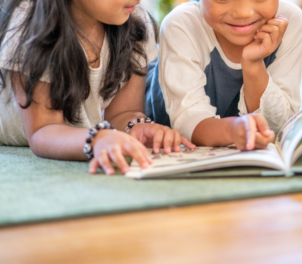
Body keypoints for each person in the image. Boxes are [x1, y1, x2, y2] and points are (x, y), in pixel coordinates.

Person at [0, 0, 195, 175]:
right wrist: (96, 139)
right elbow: (42, 131)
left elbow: (122, 113)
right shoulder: (31, 20)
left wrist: (136, 126)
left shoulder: (134, 18)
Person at [145, 0, 302, 150]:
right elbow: (188, 121)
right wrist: (233, 130)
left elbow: (278, 126)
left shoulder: (289, 20)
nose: (243, 13)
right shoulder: (181, 24)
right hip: (157, 123)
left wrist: (253, 64)